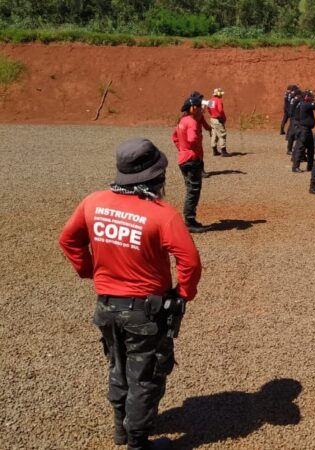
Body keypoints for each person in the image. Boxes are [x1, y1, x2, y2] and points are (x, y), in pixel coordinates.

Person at [59, 138, 202, 449]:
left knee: (118, 365)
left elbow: (68, 240)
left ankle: (121, 428)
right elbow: (189, 259)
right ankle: (138, 443)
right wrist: (184, 293)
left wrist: (89, 271)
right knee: (145, 375)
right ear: (154, 177)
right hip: (145, 312)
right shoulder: (162, 214)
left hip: (106, 306)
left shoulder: (93, 202)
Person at [172, 96, 207, 233]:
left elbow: (174, 137)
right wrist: (196, 150)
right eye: (199, 107)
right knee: (193, 191)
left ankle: (189, 219)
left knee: (189, 189)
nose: (201, 109)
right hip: (192, 159)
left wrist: (182, 150)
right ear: (193, 108)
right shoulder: (192, 122)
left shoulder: (182, 120)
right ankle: (189, 221)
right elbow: (192, 139)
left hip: (184, 159)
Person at [291, 90, 315, 173]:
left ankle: (310, 166)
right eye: (310, 96)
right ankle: (295, 167)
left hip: (307, 130)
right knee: (301, 148)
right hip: (304, 130)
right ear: (306, 97)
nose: (311, 98)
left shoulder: (305, 103)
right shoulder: (305, 104)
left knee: (311, 148)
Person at [206, 87, 229, 157]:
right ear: (218, 94)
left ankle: (214, 150)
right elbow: (220, 110)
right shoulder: (219, 100)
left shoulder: (210, 101)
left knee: (214, 134)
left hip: (212, 119)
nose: (222, 95)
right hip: (218, 120)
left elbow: (208, 109)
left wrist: (213, 114)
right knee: (222, 134)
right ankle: (223, 151)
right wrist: (222, 117)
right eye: (221, 94)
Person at [285, 89, 302, 156]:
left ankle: (290, 149)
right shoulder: (297, 100)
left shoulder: (294, 99)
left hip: (293, 117)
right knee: (295, 135)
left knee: (292, 134)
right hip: (295, 118)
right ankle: (293, 150)